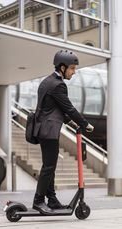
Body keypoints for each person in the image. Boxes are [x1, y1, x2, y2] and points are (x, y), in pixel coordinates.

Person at [32, 49, 94, 214]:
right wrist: (85, 123)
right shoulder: (58, 84)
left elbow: (53, 107)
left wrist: (70, 121)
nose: (74, 72)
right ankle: (38, 201)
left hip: (44, 129)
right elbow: (68, 108)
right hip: (49, 131)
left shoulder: (47, 81)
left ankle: (51, 200)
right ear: (62, 67)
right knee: (48, 167)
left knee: (49, 167)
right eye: (72, 68)